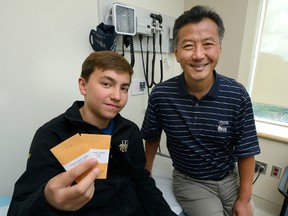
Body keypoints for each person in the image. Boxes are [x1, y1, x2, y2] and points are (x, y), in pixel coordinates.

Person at [8, 51, 177, 216]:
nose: (117, 96)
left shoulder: (130, 131)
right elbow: (17, 209)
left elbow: (142, 182)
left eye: (124, 88)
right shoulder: (51, 135)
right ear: (83, 85)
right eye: (106, 84)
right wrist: (48, 200)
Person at [141, 5, 260, 216]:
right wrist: (146, 171)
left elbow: (246, 151)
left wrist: (244, 199)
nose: (198, 55)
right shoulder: (161, 95)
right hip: (191, 181)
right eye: (188, 46)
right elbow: (151, 136)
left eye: (207, 44)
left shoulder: (237, 95)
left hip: (229, 178)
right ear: (176, 53)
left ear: (219, 49)